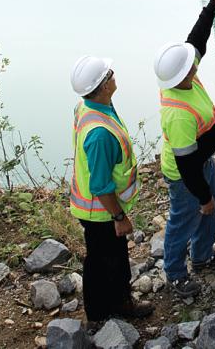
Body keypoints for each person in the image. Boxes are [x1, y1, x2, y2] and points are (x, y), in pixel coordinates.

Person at [153, 0, 215, 298]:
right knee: (183, 220)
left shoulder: (184, 77)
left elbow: (196, 40)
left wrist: (212, 4)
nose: (194, 61)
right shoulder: (178, 113)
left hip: (201, 163)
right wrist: (202, 196)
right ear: (183, 74)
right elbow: (186, 167)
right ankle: (174, 273)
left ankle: (201, 257)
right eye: (190, 64)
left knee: (211, 210)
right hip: (185, 176)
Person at [69, 56, 154, 323]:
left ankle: (101, 310)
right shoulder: (100, 133)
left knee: (100, 259)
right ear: (104, 87)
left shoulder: (89, 108)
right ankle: (115, 307)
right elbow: (100, 185)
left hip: (95, 209)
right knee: (111, 261)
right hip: (101, 212)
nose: (114, 75)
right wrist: (119, 217)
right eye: (110, 74)